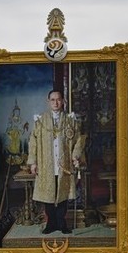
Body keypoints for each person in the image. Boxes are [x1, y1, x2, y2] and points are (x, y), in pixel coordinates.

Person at [27, 88, 84, 235]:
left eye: (58, 99)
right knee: (49, 195)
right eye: (53, 100)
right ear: (48, 102)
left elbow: (78, 140)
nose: (56, 102)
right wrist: (33, 162)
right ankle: (51, 223)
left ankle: (62, 223)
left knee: (63, 194)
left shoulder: (70, 120)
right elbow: (33, 142)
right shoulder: (40, 121)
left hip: (64, 165)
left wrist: (75, 156)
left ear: (63, 101)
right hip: (46, 165)